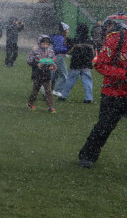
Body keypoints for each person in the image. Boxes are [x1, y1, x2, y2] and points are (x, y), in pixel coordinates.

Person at [76, 15, 127, 169]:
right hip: (113, 94)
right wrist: (124, 75)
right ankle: (87, 156)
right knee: (104, 127)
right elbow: (100, 65)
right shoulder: (117, 39)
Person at [56, 24, 94, 103]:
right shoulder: (90, 41)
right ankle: (88, 97)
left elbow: (69, 52)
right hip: (86, 64)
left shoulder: (74, 41)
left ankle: (63, 95)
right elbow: (92, 53)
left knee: (70, 80)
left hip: (75, 64)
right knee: (87, 81)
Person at [26, 35, 57, 113]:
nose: (45, 45)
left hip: (47, 74)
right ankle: (30, 104)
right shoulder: (35, 51)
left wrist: (52, 66)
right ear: (40, 43)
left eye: (47, 43)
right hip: (37, 74)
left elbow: (53, 61)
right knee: (35, 91)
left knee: (48, 91)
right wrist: (36, 64)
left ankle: (50, 107)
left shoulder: (51, 51)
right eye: (43, 43)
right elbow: (29, 61)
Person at [51, 23, 70, 91]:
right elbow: (58, 49)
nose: (68, 30)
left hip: (55, 57)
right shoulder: (61, 38)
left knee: (54, 75)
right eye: (67, 29)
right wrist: (67, 50)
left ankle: (48, 91)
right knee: (65, 75)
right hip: (59, 57)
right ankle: (57, 90)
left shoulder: (57, 37)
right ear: (64, 30)